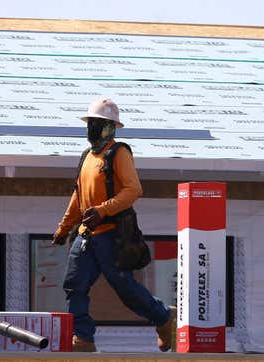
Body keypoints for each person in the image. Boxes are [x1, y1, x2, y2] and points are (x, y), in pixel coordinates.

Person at [52, 98, 176, 352]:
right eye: (91, 123)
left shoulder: (118, 153)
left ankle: (163, 317)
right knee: (74, 285)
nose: (93, 128)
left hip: (111, 235)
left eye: (98, 124)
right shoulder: (87, 157)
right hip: (87, 235)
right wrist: (63, 229)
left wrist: (102, 210)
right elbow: (78, 197)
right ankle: (83, 338)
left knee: (124, 287)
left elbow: (134, 190)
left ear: (111, 128)